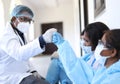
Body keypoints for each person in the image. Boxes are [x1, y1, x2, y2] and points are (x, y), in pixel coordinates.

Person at [0, 5, 57, 84]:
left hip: (22, 73)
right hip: (10, 77)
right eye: (24, 19)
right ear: (13, 19)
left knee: (46, 82)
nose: (27, 23)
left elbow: (25, 57)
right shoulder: (6, 35)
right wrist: (42, 40)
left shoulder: (20, 34)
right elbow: (19, 54)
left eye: (29, 20)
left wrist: (33, 70)